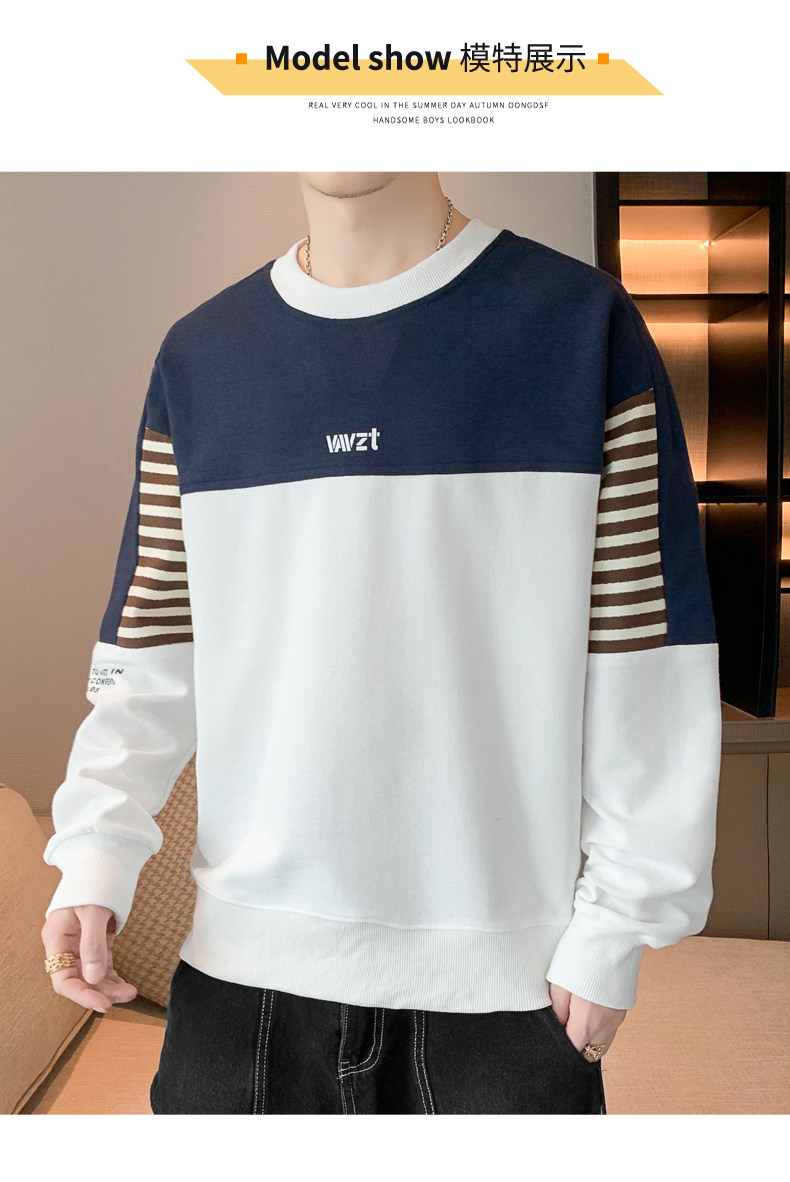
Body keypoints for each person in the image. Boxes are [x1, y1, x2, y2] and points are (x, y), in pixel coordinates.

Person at [40, 172, 722, 1115]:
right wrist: (96, 853)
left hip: (505, 994)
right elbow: (149, 649)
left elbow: (648, 653)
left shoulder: (578, 326)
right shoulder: (201, 357)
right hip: (239, 992)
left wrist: (620, 923)